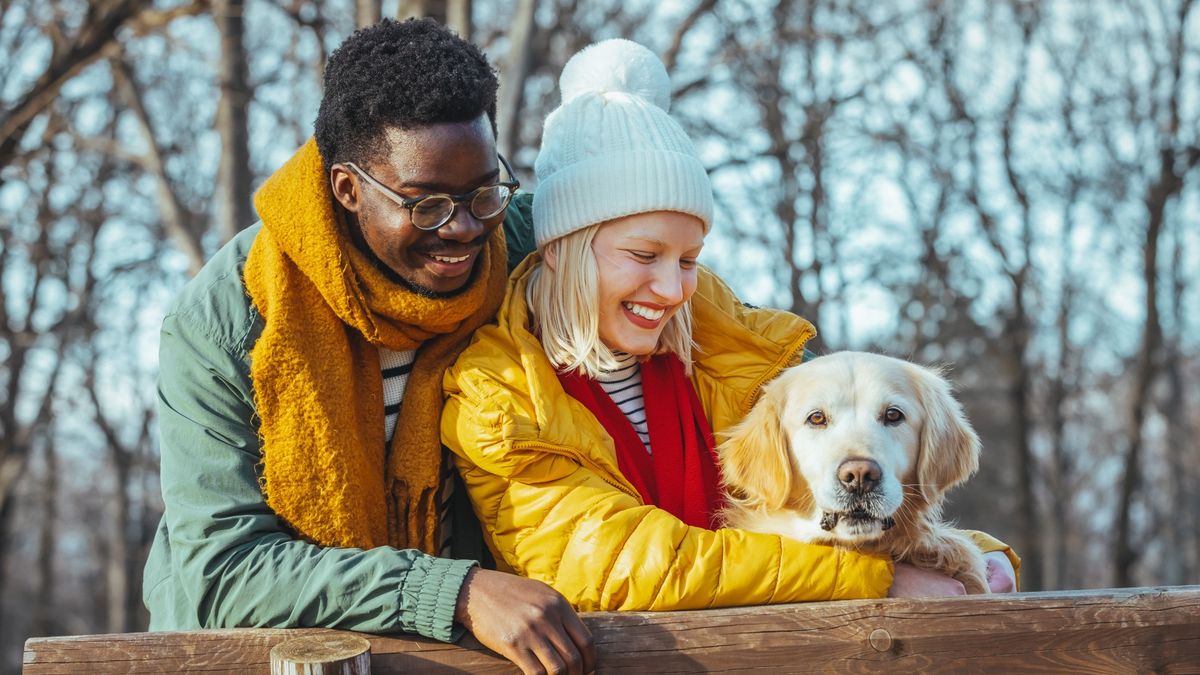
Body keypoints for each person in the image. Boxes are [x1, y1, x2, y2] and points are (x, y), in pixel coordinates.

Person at [442, 39, 1019, 611]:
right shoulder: (498, 394)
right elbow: (618, 565)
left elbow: (822, 510)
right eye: (644, 256)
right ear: (562, 250)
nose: (672, 290)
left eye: (688, 260)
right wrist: (875, 581)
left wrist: (970, 559)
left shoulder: (731, 351)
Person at [144, 19, 594, 675]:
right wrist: (455, 590)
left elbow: (685, 297)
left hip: (464, 659)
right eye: (428, 204)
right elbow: (226, 570)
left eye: (481, 193)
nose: (464, 229)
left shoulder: (524, 253)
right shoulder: (226, 317)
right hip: (251, 657)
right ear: (348, 188)